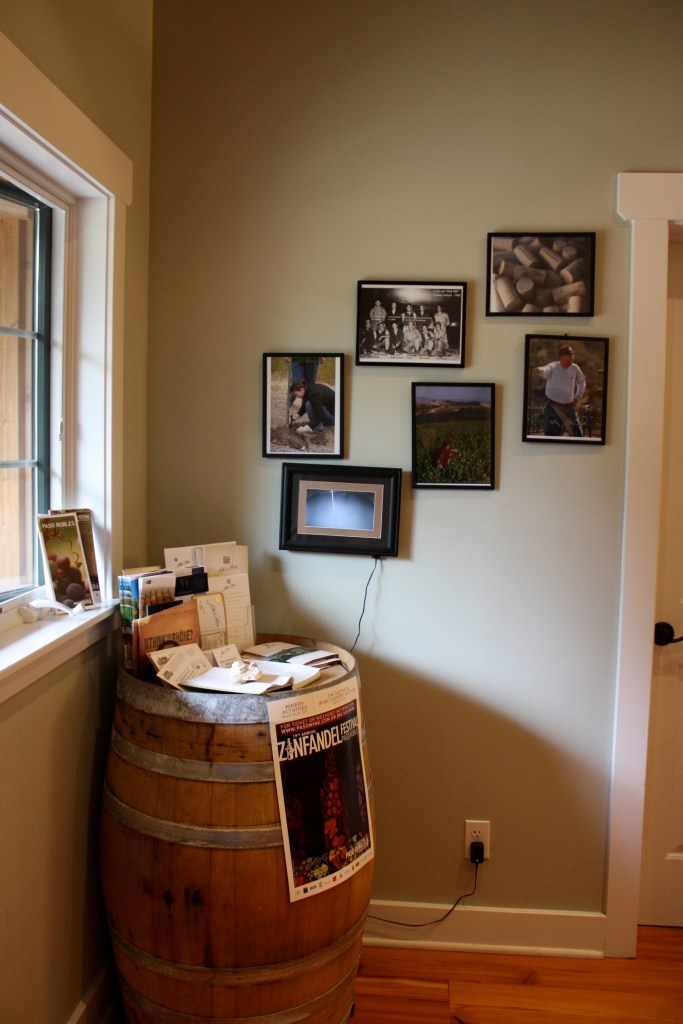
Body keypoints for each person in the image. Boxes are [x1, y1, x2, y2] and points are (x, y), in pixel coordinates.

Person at [534, 343, 586, 436]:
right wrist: (539, 370)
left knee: (578, 435)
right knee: (551, 437)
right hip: (553, 406)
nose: (572, 357)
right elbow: (545, 370)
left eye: (572, 355)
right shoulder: (553, 367)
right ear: (561, 356)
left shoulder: (575, 368)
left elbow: (582, 382)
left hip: (569, 407)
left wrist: (577, 398)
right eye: (569, 355)